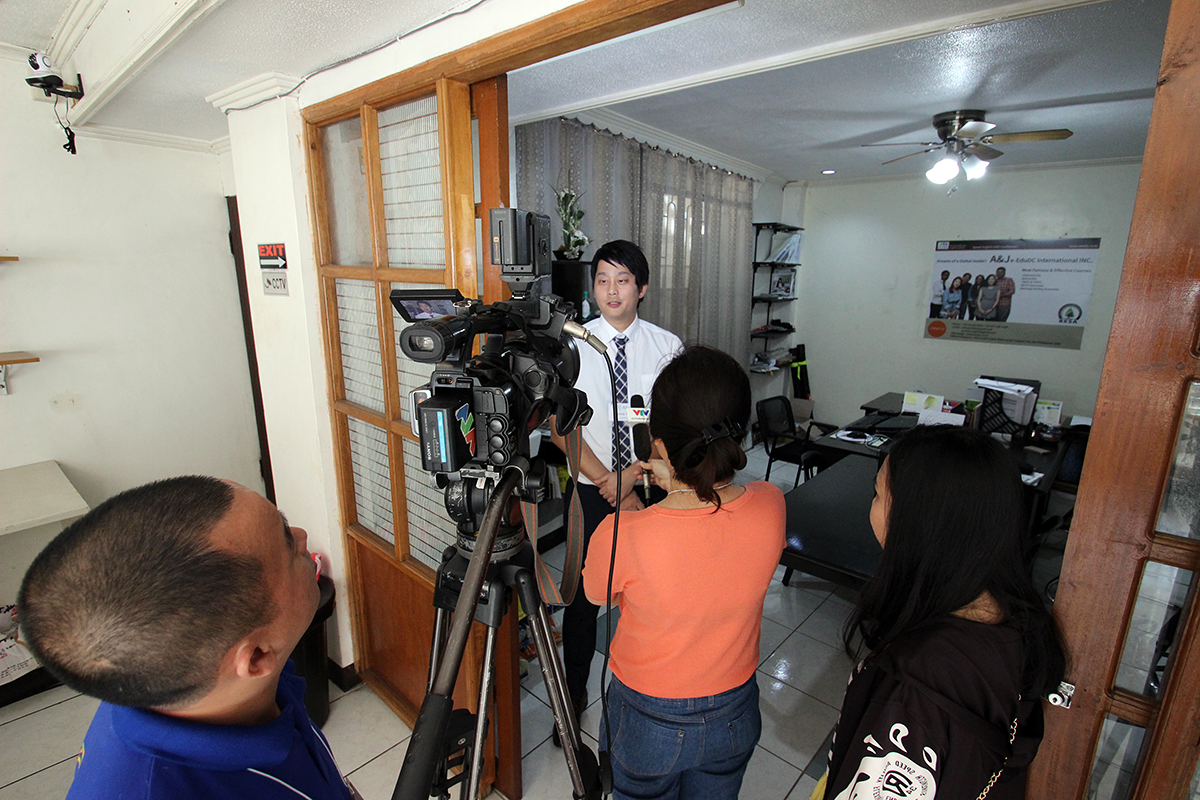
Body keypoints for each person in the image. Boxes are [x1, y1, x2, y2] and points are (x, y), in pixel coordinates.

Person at [18, 476, 359, 800]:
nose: (301, 536)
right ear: (256, 657)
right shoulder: (155, 787)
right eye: (286, 542)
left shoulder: (174, 679)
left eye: (284, 523)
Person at [582, 345, 784, 800]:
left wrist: (658, 485)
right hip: (735, 711)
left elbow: (596, 593)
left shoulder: (623, 533)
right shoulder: (772, 505)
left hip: (648, 717)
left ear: (657, 444)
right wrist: (676, 479)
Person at [825, 426, 1067, 800]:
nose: (871, 505)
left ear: (917, 524)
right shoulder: (1019, 620)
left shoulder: (912, 693)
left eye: (878, 494)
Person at [549, 239, 682, 733]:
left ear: (641, 288)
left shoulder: (667, 347)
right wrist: (609, 481)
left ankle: (649, 691)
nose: (611, 290)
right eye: (602, 280)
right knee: (583, 599)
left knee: (651, 594)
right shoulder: (573, 345)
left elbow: (671, 426)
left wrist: (633, 476)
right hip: (590, 489)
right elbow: (561, 426)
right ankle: (573, 695)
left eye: (622, 280)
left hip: (652, 487)